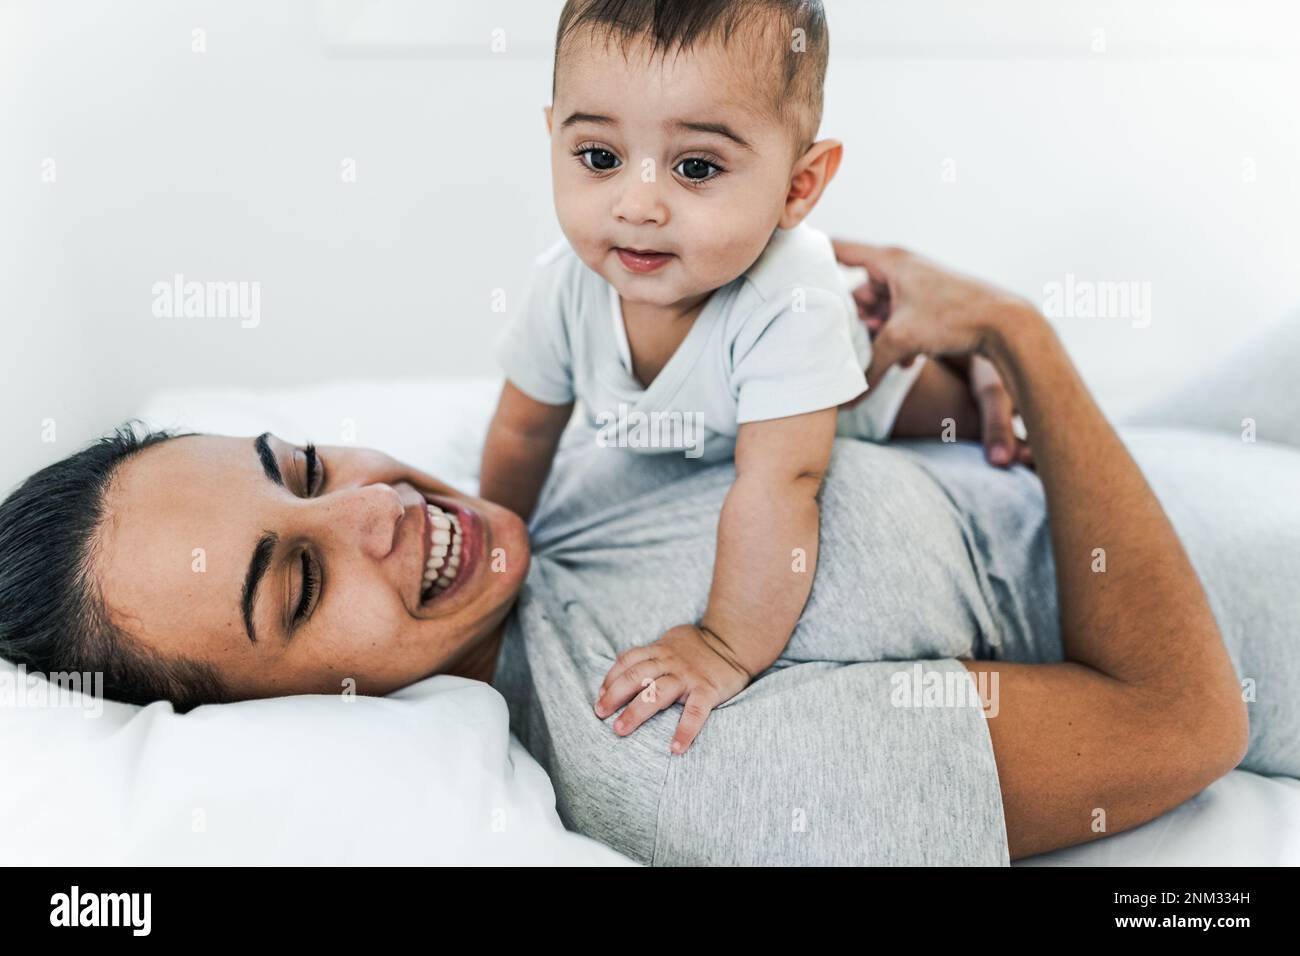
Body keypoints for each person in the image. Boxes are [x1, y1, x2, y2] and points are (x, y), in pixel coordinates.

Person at [2, 241, 1277, 865]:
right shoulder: (671, 745)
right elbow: (1177, 720)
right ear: (271, 720)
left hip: (1206, 442)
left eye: (303, 467)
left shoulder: (551, 505)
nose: (371, 509)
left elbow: (882, 437)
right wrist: (1026, 337)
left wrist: (949, 372)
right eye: (298, 580)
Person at [480, 0, 1027, 754]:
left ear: (798, 188)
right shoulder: (564, 287)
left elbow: (781, 485)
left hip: (868, 383)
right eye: (599, 158)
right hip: (728, 410)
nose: (636, 205)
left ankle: (979, 353)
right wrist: (497, 542)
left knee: (971, 417)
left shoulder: (787, 300)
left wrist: (724, 644)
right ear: (554, 139)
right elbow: (523, 429)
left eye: (696, 167)